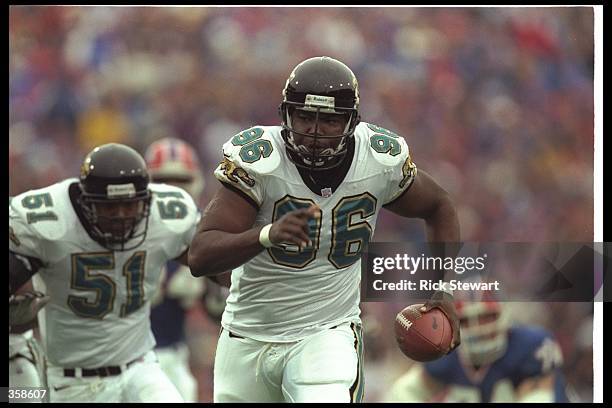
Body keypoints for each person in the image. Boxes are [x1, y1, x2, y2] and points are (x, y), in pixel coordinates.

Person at [188, 56, 461, 402]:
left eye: (330, 121)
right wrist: (266, 235)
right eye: (304, 116)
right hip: (247, 335)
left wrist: (444, 287)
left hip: (326, 333)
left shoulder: (378, 160)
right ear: (286, 114)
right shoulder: (260, 161)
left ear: (351, 121)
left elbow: (439, 205)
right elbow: (201, 254)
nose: (315, 132)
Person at [9, 143, 200, 402]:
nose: (121, 216)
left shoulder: (166, 214)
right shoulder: (48, 221)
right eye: (110, 208)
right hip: (71, 382)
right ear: (86, 204)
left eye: (129, 206)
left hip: (141, 366)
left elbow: (214, 264)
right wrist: (17, 326)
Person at [144, 137, 228, 402]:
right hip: (129, 357)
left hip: (174, 354)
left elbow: (218, 310)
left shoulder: (201, 231)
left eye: (180, 181)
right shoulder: (132, 228)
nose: (171, 189)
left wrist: (215, 287)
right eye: (162, 181)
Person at [384, 300, 569, 402]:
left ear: (504, 314)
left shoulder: (529, 346)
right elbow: (402, 394)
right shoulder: (444, 354)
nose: (479, 328)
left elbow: (542, 396)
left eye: (487, 317)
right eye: (467, 320)